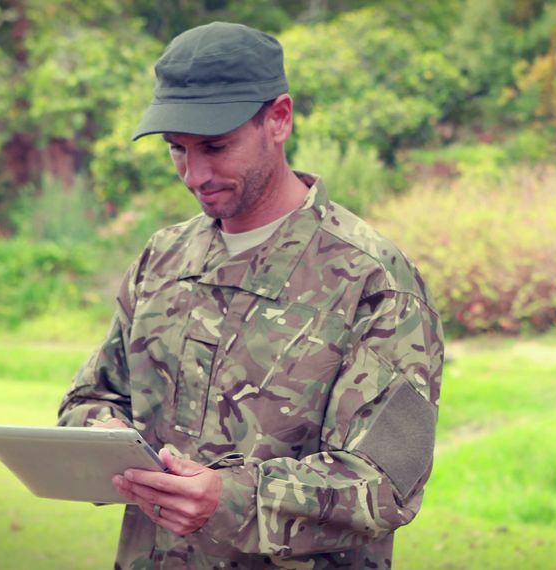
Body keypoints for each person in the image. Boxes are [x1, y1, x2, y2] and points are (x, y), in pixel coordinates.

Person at [57, 21, 444, 569]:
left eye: (216, 146)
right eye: (177, 150)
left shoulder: (373, 279)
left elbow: (387, 484)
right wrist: (104, 435)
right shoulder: (162, 259)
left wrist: (229, 498)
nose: (195, 174)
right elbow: (88, 399)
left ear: (278, 119)